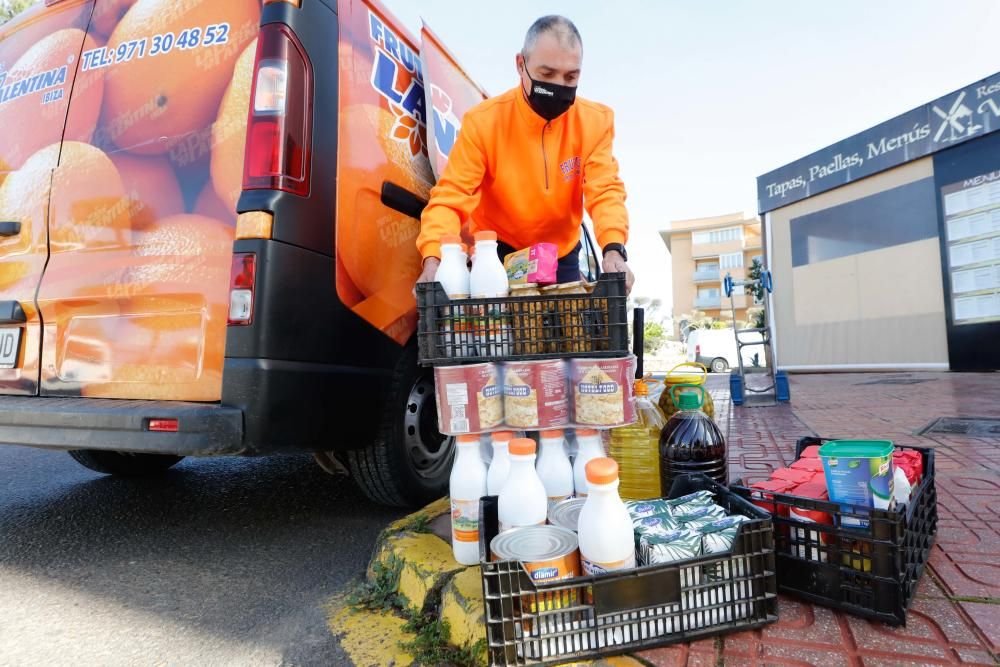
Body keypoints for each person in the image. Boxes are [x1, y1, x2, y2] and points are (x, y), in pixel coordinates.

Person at [415, 15, 634, 293]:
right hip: (497, 254)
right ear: (521, 65)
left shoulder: (595, 121)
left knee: (563, 335)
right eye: (546, 74)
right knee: (498, 335)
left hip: (561, 255)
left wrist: (613, 250)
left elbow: (605, 191)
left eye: (570, 77)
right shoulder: (483, 122)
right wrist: (433, 258)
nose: (558, 85)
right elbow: (451, 197)